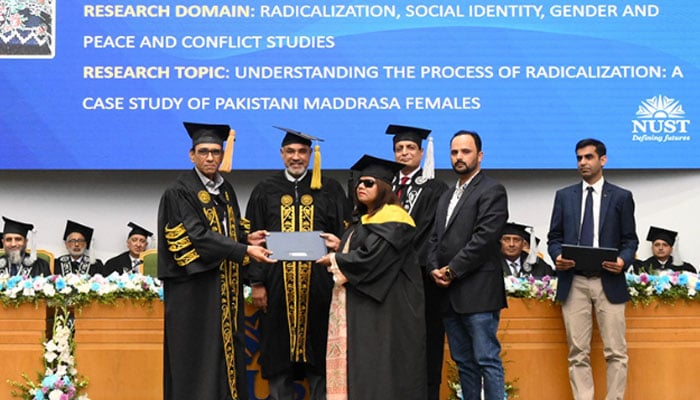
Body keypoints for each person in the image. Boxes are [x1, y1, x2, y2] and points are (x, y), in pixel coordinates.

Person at [158, 121, 276, 400]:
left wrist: (248, 238)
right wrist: (243, 251)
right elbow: (197, 235)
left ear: (222, 154)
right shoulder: (180, 191)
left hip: (223, 288)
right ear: (191, 155)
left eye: (215, 152)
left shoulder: (225, 190)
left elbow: (227, 228)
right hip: (194, 291)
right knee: (197, 354)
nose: (210, 157)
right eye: (203, 152)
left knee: (225, 350)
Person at [245, 126, 349, 400]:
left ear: (310, 155)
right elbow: (254, 237)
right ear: (281, 154)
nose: (296, 156)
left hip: (320, 286)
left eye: (302, 151)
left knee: (320, 352)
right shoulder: (265, 190)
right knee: (278, 353)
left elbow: (345, 234)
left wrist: (339, 248)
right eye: (290, 151)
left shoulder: (330, 188)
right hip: (277, 286)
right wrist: (257, 282)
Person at [316, 154, 427, 400]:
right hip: (367, 308)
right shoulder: (365, 220)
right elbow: (363, 249)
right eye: (359, 183)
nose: (360, 187)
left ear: (385, 188)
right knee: (365, 365)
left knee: (380, 368)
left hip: (388, 311)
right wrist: (341, 245)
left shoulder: (394, 220)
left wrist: (334, 259)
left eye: (369, 183)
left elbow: (371, 259)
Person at [547, 138, 638, 400]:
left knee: (616, 352)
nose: (583, 163)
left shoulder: (621, 197)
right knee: (578, 352)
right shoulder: (564, 196)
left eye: (588, 157)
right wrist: (558, 256)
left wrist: (623, 260)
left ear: (603, 160)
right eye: (579, 158)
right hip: (573, 281)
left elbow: (630, 240)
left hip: (609, 280)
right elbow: (554, 237)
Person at [427, 131, 509, 400]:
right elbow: (434, 239)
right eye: (454, 152)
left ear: (480, 156)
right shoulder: (447, 195)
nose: (459, 157)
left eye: (465, 151)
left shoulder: (492, 190)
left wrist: (451, 270)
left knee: (487, 360)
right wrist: (433, 268)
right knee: (464, 363)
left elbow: (484, 239)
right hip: (448, 294)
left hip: (478, 293)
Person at [386, 123, 448, 400]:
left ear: (422, 152)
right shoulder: (384, 184)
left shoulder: (436, 187)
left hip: (421, 276)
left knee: (426, 338)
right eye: (399, 148)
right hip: (386, 276)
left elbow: (430, 229)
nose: (405, 152)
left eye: (410, 148)